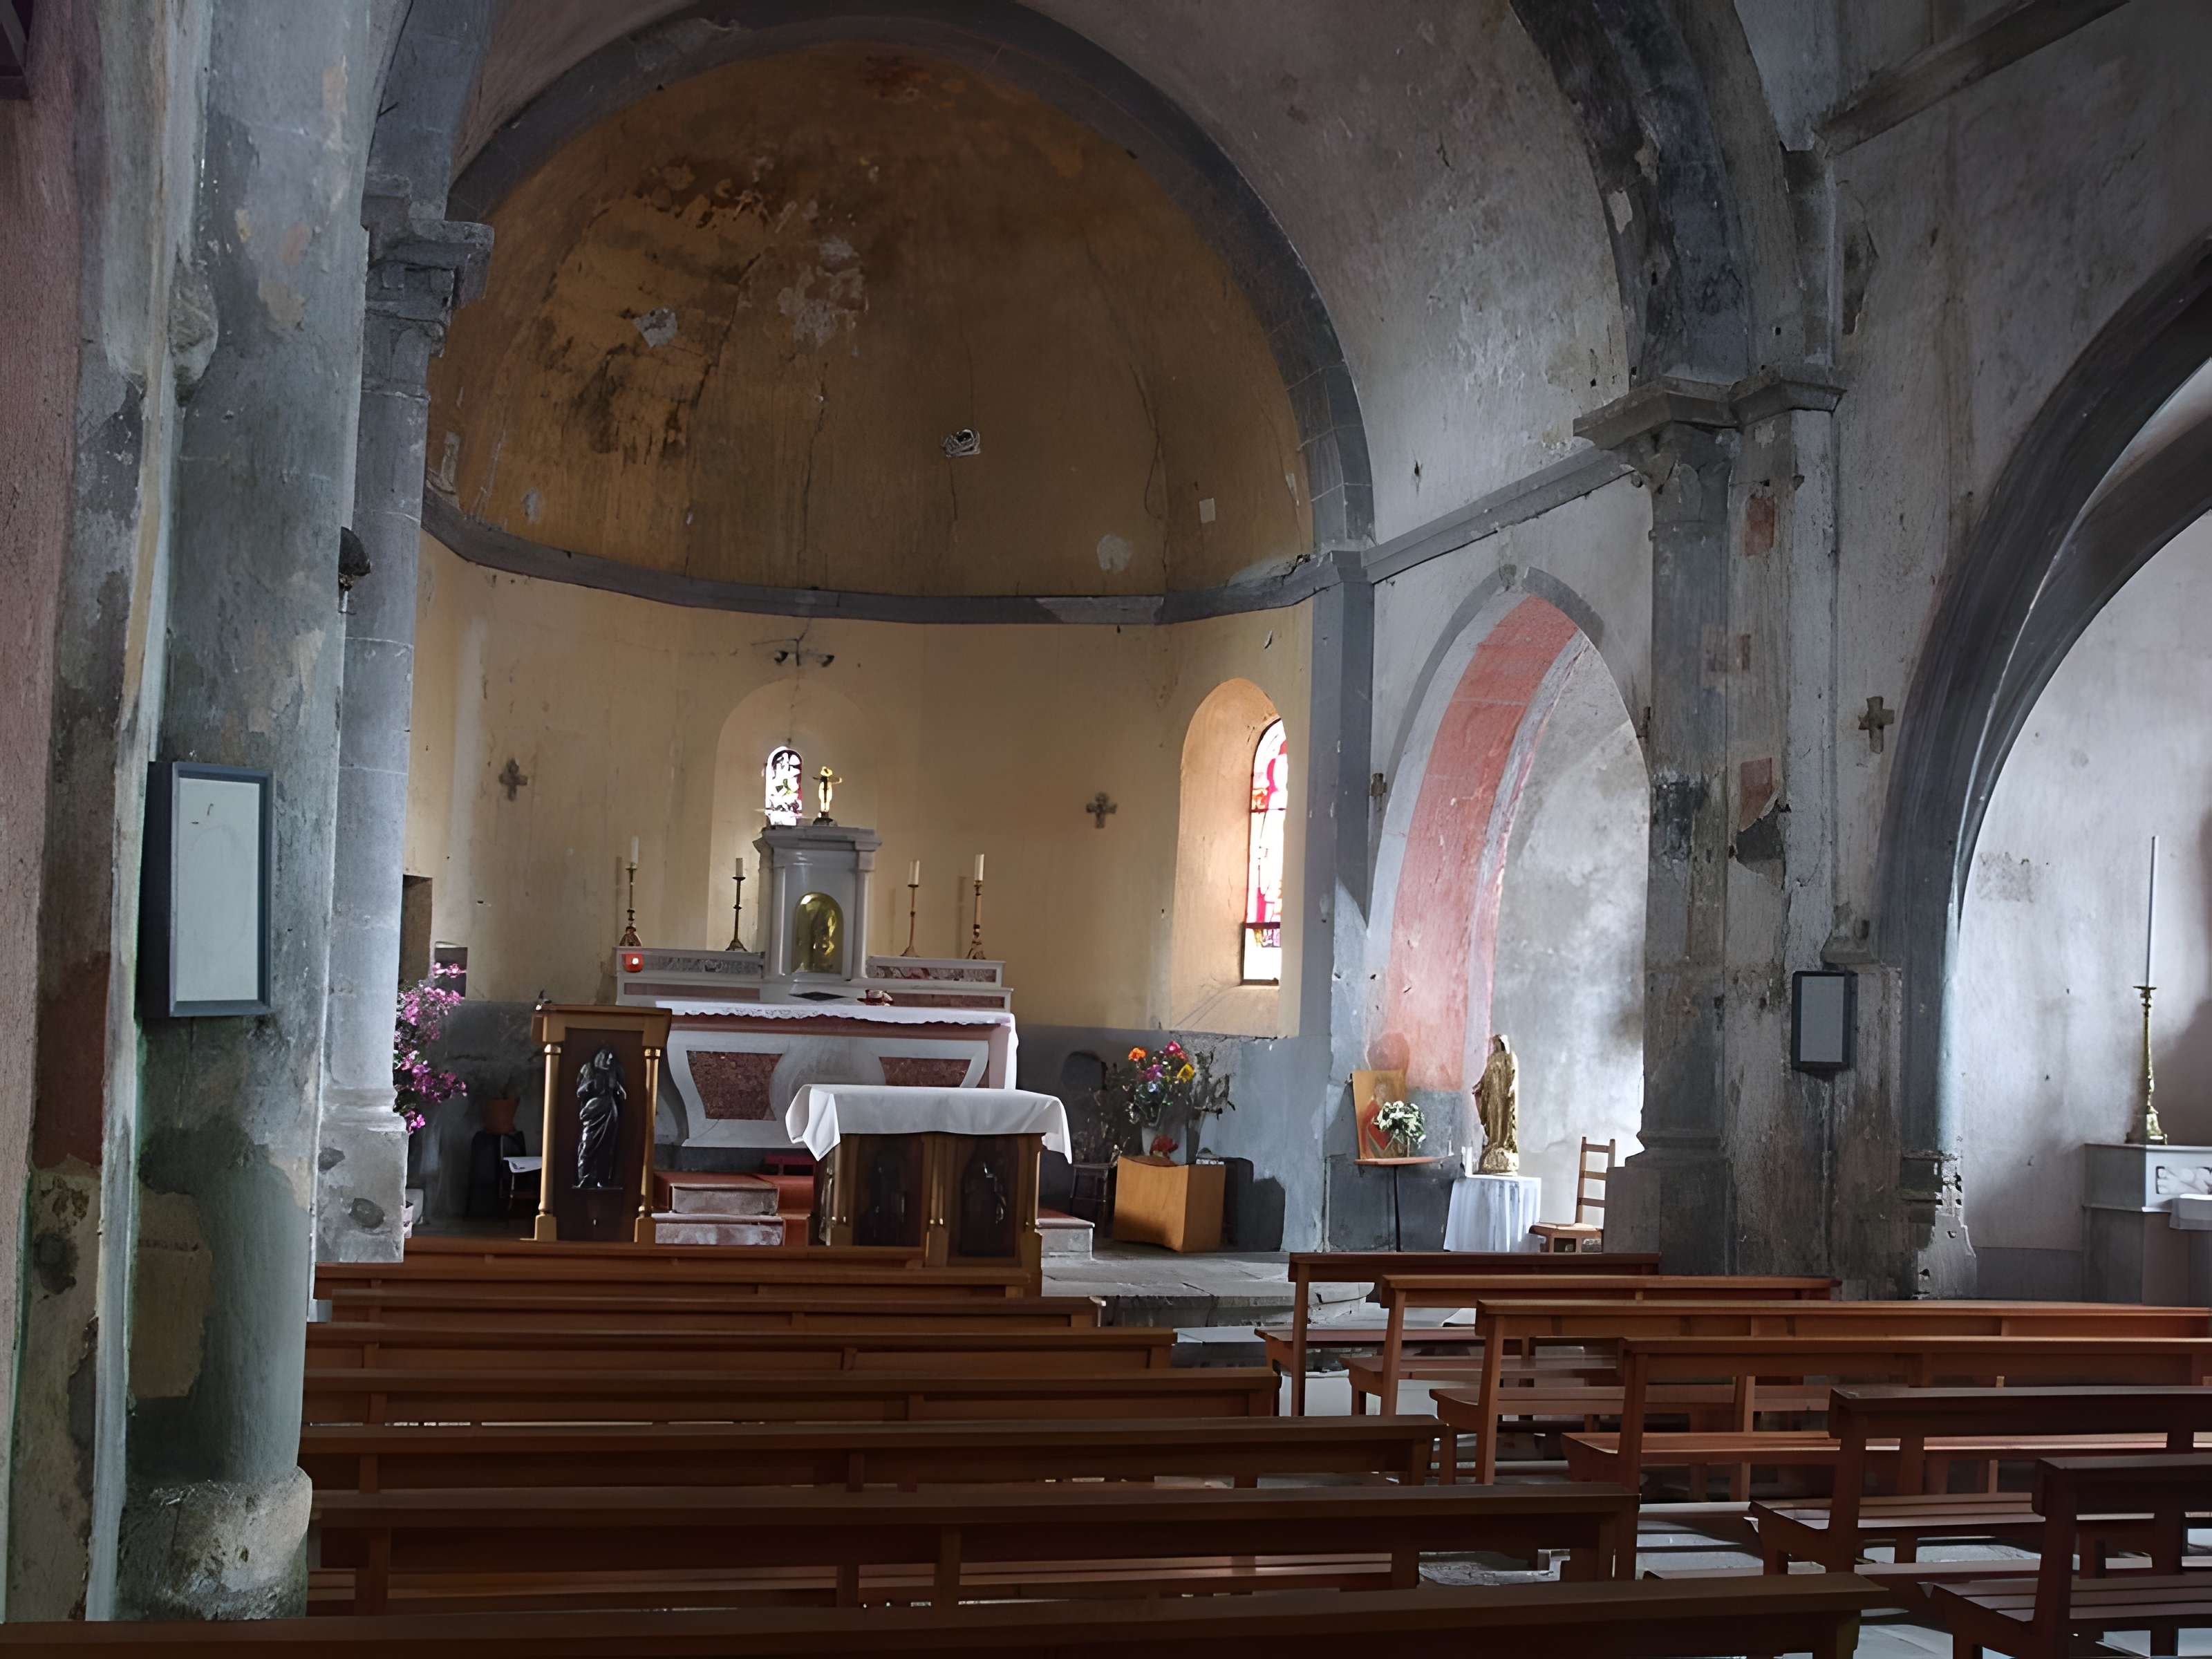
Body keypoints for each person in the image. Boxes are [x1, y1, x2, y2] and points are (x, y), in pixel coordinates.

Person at [1474, 1033, 1519, 1174]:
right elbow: (1486, 1075)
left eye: (1498, 1043)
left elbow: (1514, 1074)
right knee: (1493, 1120)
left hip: (1504, 1096)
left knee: (1503, 1120)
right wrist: (1479, 1085)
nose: (1496, 1046)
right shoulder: (1492, 1058)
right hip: (1492, 1095)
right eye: (1495, 1043)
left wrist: (1511, 1087)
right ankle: (1493, 1142)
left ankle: (1502, 1143)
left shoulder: (1509, 1056)